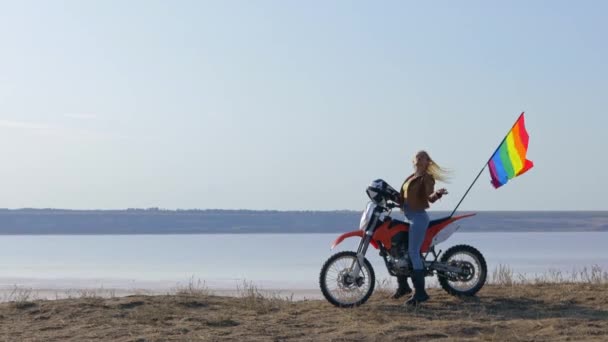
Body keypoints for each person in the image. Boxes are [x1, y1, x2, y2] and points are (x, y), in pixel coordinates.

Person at [396, 150, 449, 306]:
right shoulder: (410, 178)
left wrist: (437, 194)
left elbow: (429, 197)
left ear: (428, 162)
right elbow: (404, 197)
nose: (419, 159)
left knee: (413, 252)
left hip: (418, 218)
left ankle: (420, 293)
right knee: (401, 251)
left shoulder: (427, 178)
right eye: (417, 157)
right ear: (413, 161)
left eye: (423, 157)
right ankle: (403, 287)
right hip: (408, 217)